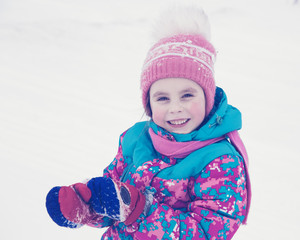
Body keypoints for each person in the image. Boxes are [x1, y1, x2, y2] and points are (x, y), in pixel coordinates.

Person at [46, 5, 251, 240]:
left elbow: (206, 233)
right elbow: (113, 202)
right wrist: (87, 205)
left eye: (187, 95)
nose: (175, 107)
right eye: (162, 98)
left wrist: (140, 209)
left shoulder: (221, 160)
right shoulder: (135, 139)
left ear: (208, 97)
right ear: (149, 105)